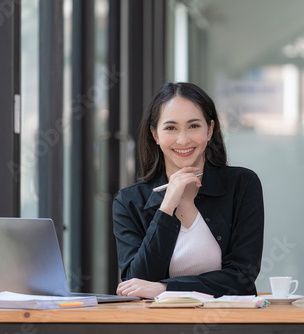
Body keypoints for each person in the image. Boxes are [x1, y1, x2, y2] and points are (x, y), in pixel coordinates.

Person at [113, 82, 264, 299]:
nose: (183, 140)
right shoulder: (128, 201)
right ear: (155, 134)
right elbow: (135, 282)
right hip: (156, 324)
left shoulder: (242, 184)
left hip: (227, 321)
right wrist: (166, 207)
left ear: (210, 130)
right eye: (171, 128)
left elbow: (242, 277)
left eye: (193, 126)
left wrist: (166, 288)